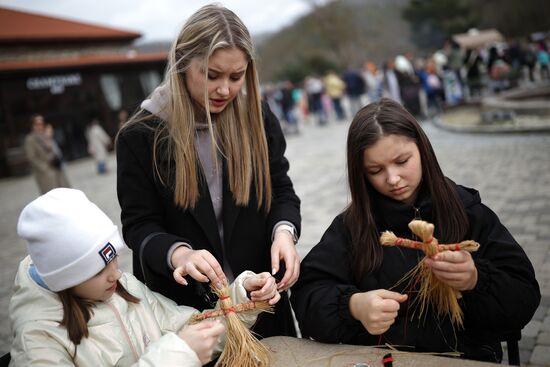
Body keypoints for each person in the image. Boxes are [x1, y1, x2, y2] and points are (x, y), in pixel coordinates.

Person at [291, 98, 540, 363]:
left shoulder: (467, 211)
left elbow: (523, 298)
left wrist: (477, 279)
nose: (393, 179)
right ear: (360, 174)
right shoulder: (352, 227)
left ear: (422, 149)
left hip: (465, 358)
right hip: (385, 359)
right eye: (375, 170)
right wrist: (353, 306)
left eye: (402, 161)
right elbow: (308, 295)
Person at [116, 4, 301, 339]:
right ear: (183, 63)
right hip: (189, 318)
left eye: (236, 76)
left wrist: (284, 233)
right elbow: (139, 225)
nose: (225, 90)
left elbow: (281, 189)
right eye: (212, 75)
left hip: (262, 303)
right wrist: (179, 254)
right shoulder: (140, 136)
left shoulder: (257, 117)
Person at [10, 188, 280, 366]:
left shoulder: (124, 287)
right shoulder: (37, 339)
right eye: (97, 271)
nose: (115, 273)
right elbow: (182, 347)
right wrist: (179, 356)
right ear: (65, 278)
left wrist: (242, 296)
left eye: (113, 258)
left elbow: (188, 326)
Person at [23, 114, 70, 194]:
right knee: (51, 196)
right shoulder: (30, 139)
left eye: (42, 123)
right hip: (46, 173)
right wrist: (45, 168)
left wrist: (49, 137)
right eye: (38, 124)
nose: (41, 126)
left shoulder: (46, 135)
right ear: (33, 125)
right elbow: (31, 157)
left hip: (57, 168)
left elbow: (54, 150)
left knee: (64, 193)